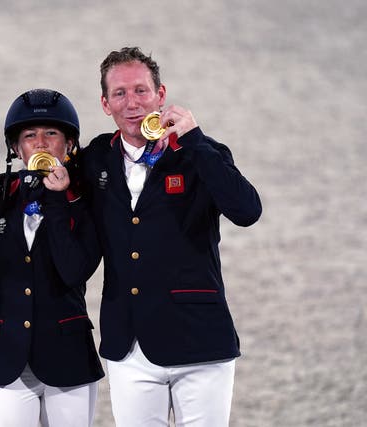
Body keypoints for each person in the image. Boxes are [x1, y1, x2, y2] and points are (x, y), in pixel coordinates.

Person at [81, 47, 263, 426]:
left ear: (161, 96)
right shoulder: (96, 158)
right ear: (105, 104)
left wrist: (195, 140)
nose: (131, 103)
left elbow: (247, 211)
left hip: (199, 341)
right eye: (119, 93)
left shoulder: (200, 154)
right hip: (128, 347)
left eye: (141, 90)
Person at [0, 89, 104, 427]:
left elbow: (74, 270)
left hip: (68, 357)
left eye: (52, 133)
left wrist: (58, 200)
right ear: (16, 149)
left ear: (69, 144)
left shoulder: (90, 202)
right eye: (30, 135)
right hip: (4, 357)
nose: (41, 143)